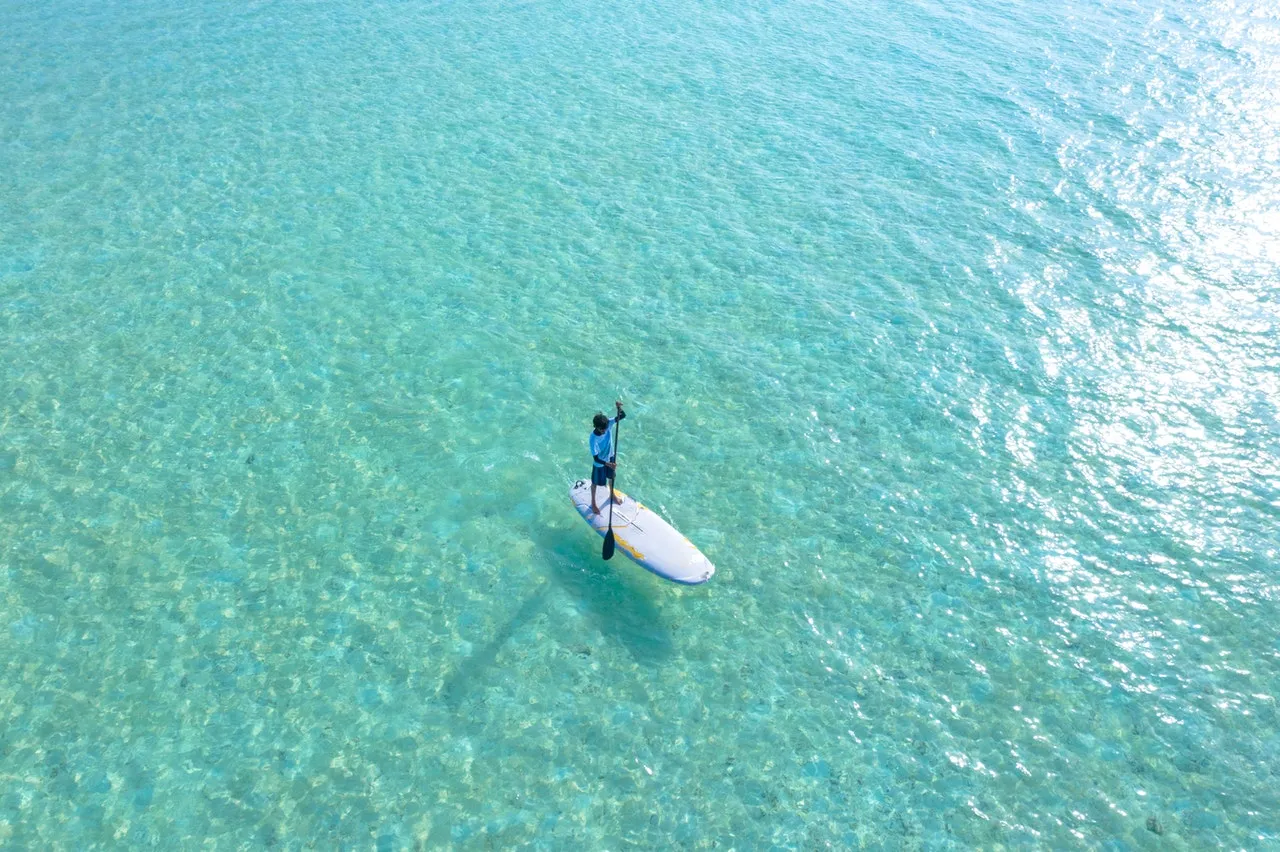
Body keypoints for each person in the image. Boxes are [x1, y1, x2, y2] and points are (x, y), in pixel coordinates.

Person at [589, 400, 626, 515]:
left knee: (611, 477)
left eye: (606, 428)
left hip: (610, 456)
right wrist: (608, 464)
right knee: (595, 483)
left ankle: (612, 494)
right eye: (602, 429)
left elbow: (623, 416)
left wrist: (619, 408)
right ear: (596, 427)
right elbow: (596, 458)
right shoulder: (593, 439)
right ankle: (593, 503)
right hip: (600, 463)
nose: (605, 431)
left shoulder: (608, 424)